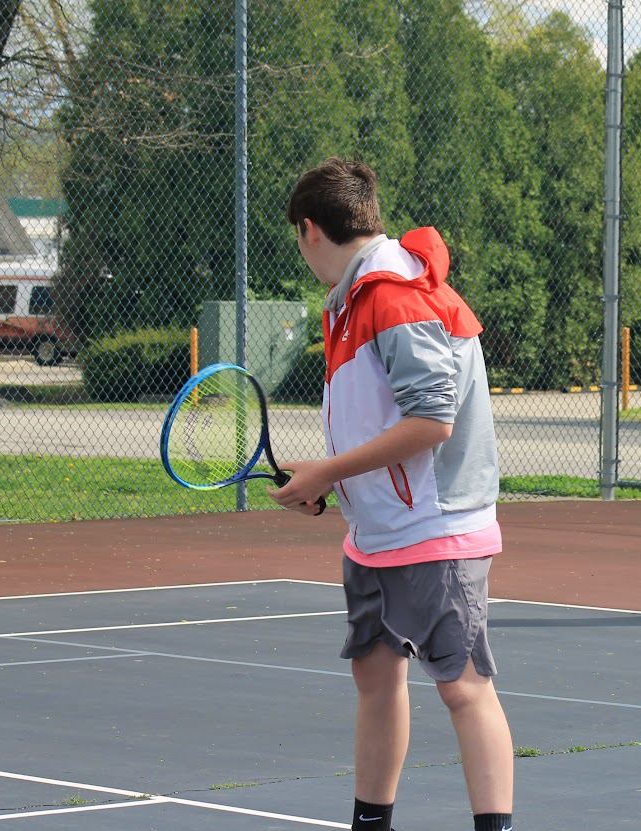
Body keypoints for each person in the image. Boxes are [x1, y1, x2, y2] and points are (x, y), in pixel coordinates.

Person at [270, 158, 514, 831]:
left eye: (298, 236)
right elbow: (379, 418)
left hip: (436, 530)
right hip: (380, 531)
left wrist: (329, 471)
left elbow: (432, 421)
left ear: (311, 229)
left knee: (465, 689)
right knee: (376, 681)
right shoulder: (357, 298)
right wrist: (330, 475)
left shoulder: (392, 296)